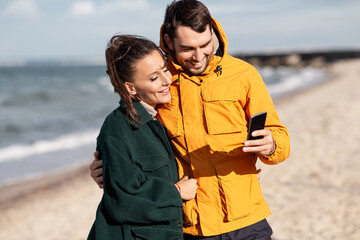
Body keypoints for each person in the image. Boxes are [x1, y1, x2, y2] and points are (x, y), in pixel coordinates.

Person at [90, 0, 291, 239]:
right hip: (190, 226)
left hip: (247, 219)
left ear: (213, 33)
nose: (198, 56)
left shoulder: (244, 75)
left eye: (205, 45)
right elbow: (133, 131)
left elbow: (279, 138)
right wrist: (108, 168)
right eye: (187, 49)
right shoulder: (161, 80)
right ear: (169, 42)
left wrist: (272, 145)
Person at [87, 34, 198, 240]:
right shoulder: (117, 128)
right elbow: (121, 201)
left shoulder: (160, 115)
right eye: (154, 78)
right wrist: (176, 192)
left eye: (165, 69)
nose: (167, 80)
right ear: (130, 88)